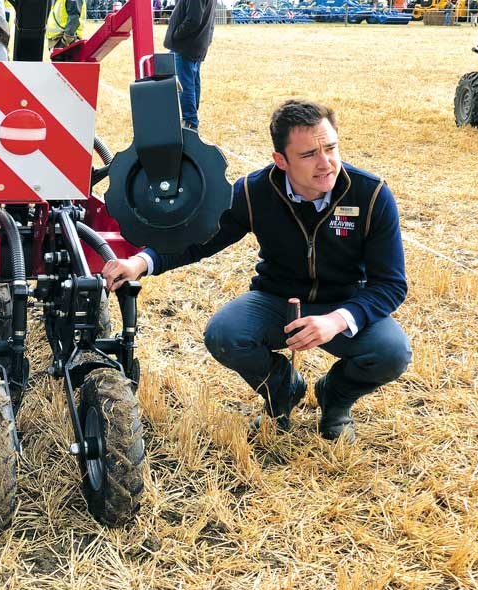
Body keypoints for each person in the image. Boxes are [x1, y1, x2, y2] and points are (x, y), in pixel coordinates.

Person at [102, 100, 412, 443]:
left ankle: (335, 400)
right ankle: (282, 392)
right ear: (281, 160)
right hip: (275, 299)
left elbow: (390, 285)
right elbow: (199, 239)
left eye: (331, 148)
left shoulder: (372, 195)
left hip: (344, 303)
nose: (326, 163)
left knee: (392, 352)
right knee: (225, 334)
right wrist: (140, 262)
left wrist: (337, 320)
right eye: (309, 154)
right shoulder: (254, 191)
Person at [163, 0, 216, 130]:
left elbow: (193, 19)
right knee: (192, 82)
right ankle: (191, 118)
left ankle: (190, 122)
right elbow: (210, 19)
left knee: (185, 85)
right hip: (196, 44)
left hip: (185, 45)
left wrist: (176, 34)